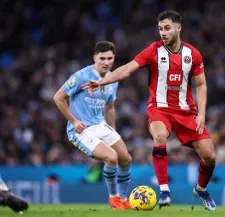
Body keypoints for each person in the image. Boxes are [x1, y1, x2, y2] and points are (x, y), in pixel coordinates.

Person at [82, 11, 216, 211]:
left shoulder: (193, 54)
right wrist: (102, 81)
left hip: (186, 112)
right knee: (159, 136)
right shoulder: (154, 51)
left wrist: (202, 114)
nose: (163, 32)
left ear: (179, 28)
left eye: (167, 28)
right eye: (160, 28)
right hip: (159, 108)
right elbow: (126, 69)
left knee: (210, 156)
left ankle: (201, 189)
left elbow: (202, 85)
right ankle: (164, 190)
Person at [53, 41, 132, 210]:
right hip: (80, 130)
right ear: (95, 58)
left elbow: (110, 107)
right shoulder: (81, 76)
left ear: (113, 58)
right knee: (111, 157)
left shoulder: (113, 79)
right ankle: (114, 198)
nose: (106, 62)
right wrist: (74, 120)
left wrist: (113, 131)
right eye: (102, 58)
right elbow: (58, 97)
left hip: (100, 125)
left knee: (126, 158)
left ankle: (125, 199)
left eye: (109, 58)